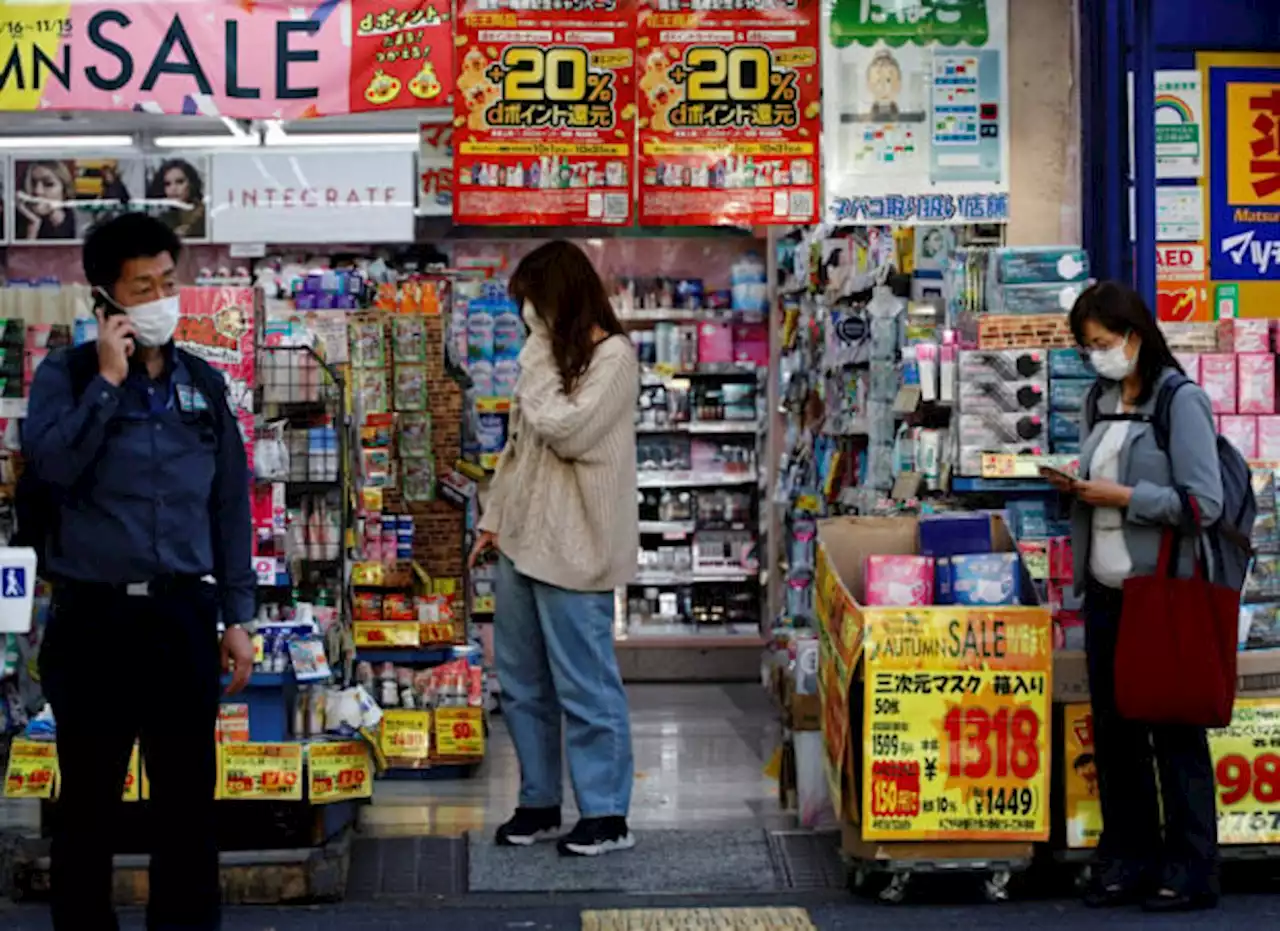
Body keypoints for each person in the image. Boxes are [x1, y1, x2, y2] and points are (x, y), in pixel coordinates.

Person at [23, 212, 255, 930]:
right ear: (106, 299)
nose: (161, 297)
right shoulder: (63, 378)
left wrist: (238, 614)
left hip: (180, 617)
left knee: (187, 807)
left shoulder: (201, 383)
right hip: (92, 620)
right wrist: (109, 381)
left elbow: (228, 501)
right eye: (142, 285)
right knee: (87, 807)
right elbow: (51, 467)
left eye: (167, 281)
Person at [1045, 281, 1223, 913]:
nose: (1096, 355)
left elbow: (1204, 503)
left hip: (1162, 592)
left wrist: (1123, 499)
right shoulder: (1099, 401)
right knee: (1116, 734)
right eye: (1086, 346)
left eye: (1101, 343)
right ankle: (1127, 858)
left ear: (1135, 335)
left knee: (1173, 731)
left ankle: (1192, 865)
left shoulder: (1181, 402)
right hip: (1106, 589)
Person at [468, 240, 639, 857]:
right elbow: (518, 452)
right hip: (520, 540)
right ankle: (538, 800)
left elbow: (568, 432)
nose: (524, 316)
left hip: (576, 545)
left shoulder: (613, 357)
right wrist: (492, 521)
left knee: (584, 682)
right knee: (521, 681)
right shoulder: (544, 362)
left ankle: (606, 813)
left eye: (530, 303)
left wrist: (536, 357)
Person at [18, 160, 77, 241]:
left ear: (64, 191)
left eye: (48, 184)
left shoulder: (78, 223)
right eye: (33, 183)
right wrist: (33, 224)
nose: (38, 191)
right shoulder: (14, 220)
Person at [147, 158, 206, 239]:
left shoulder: (206, 215)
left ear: (191, 183)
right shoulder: (162, 221)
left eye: (180, 182)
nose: (173, 188)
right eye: (167, 184)